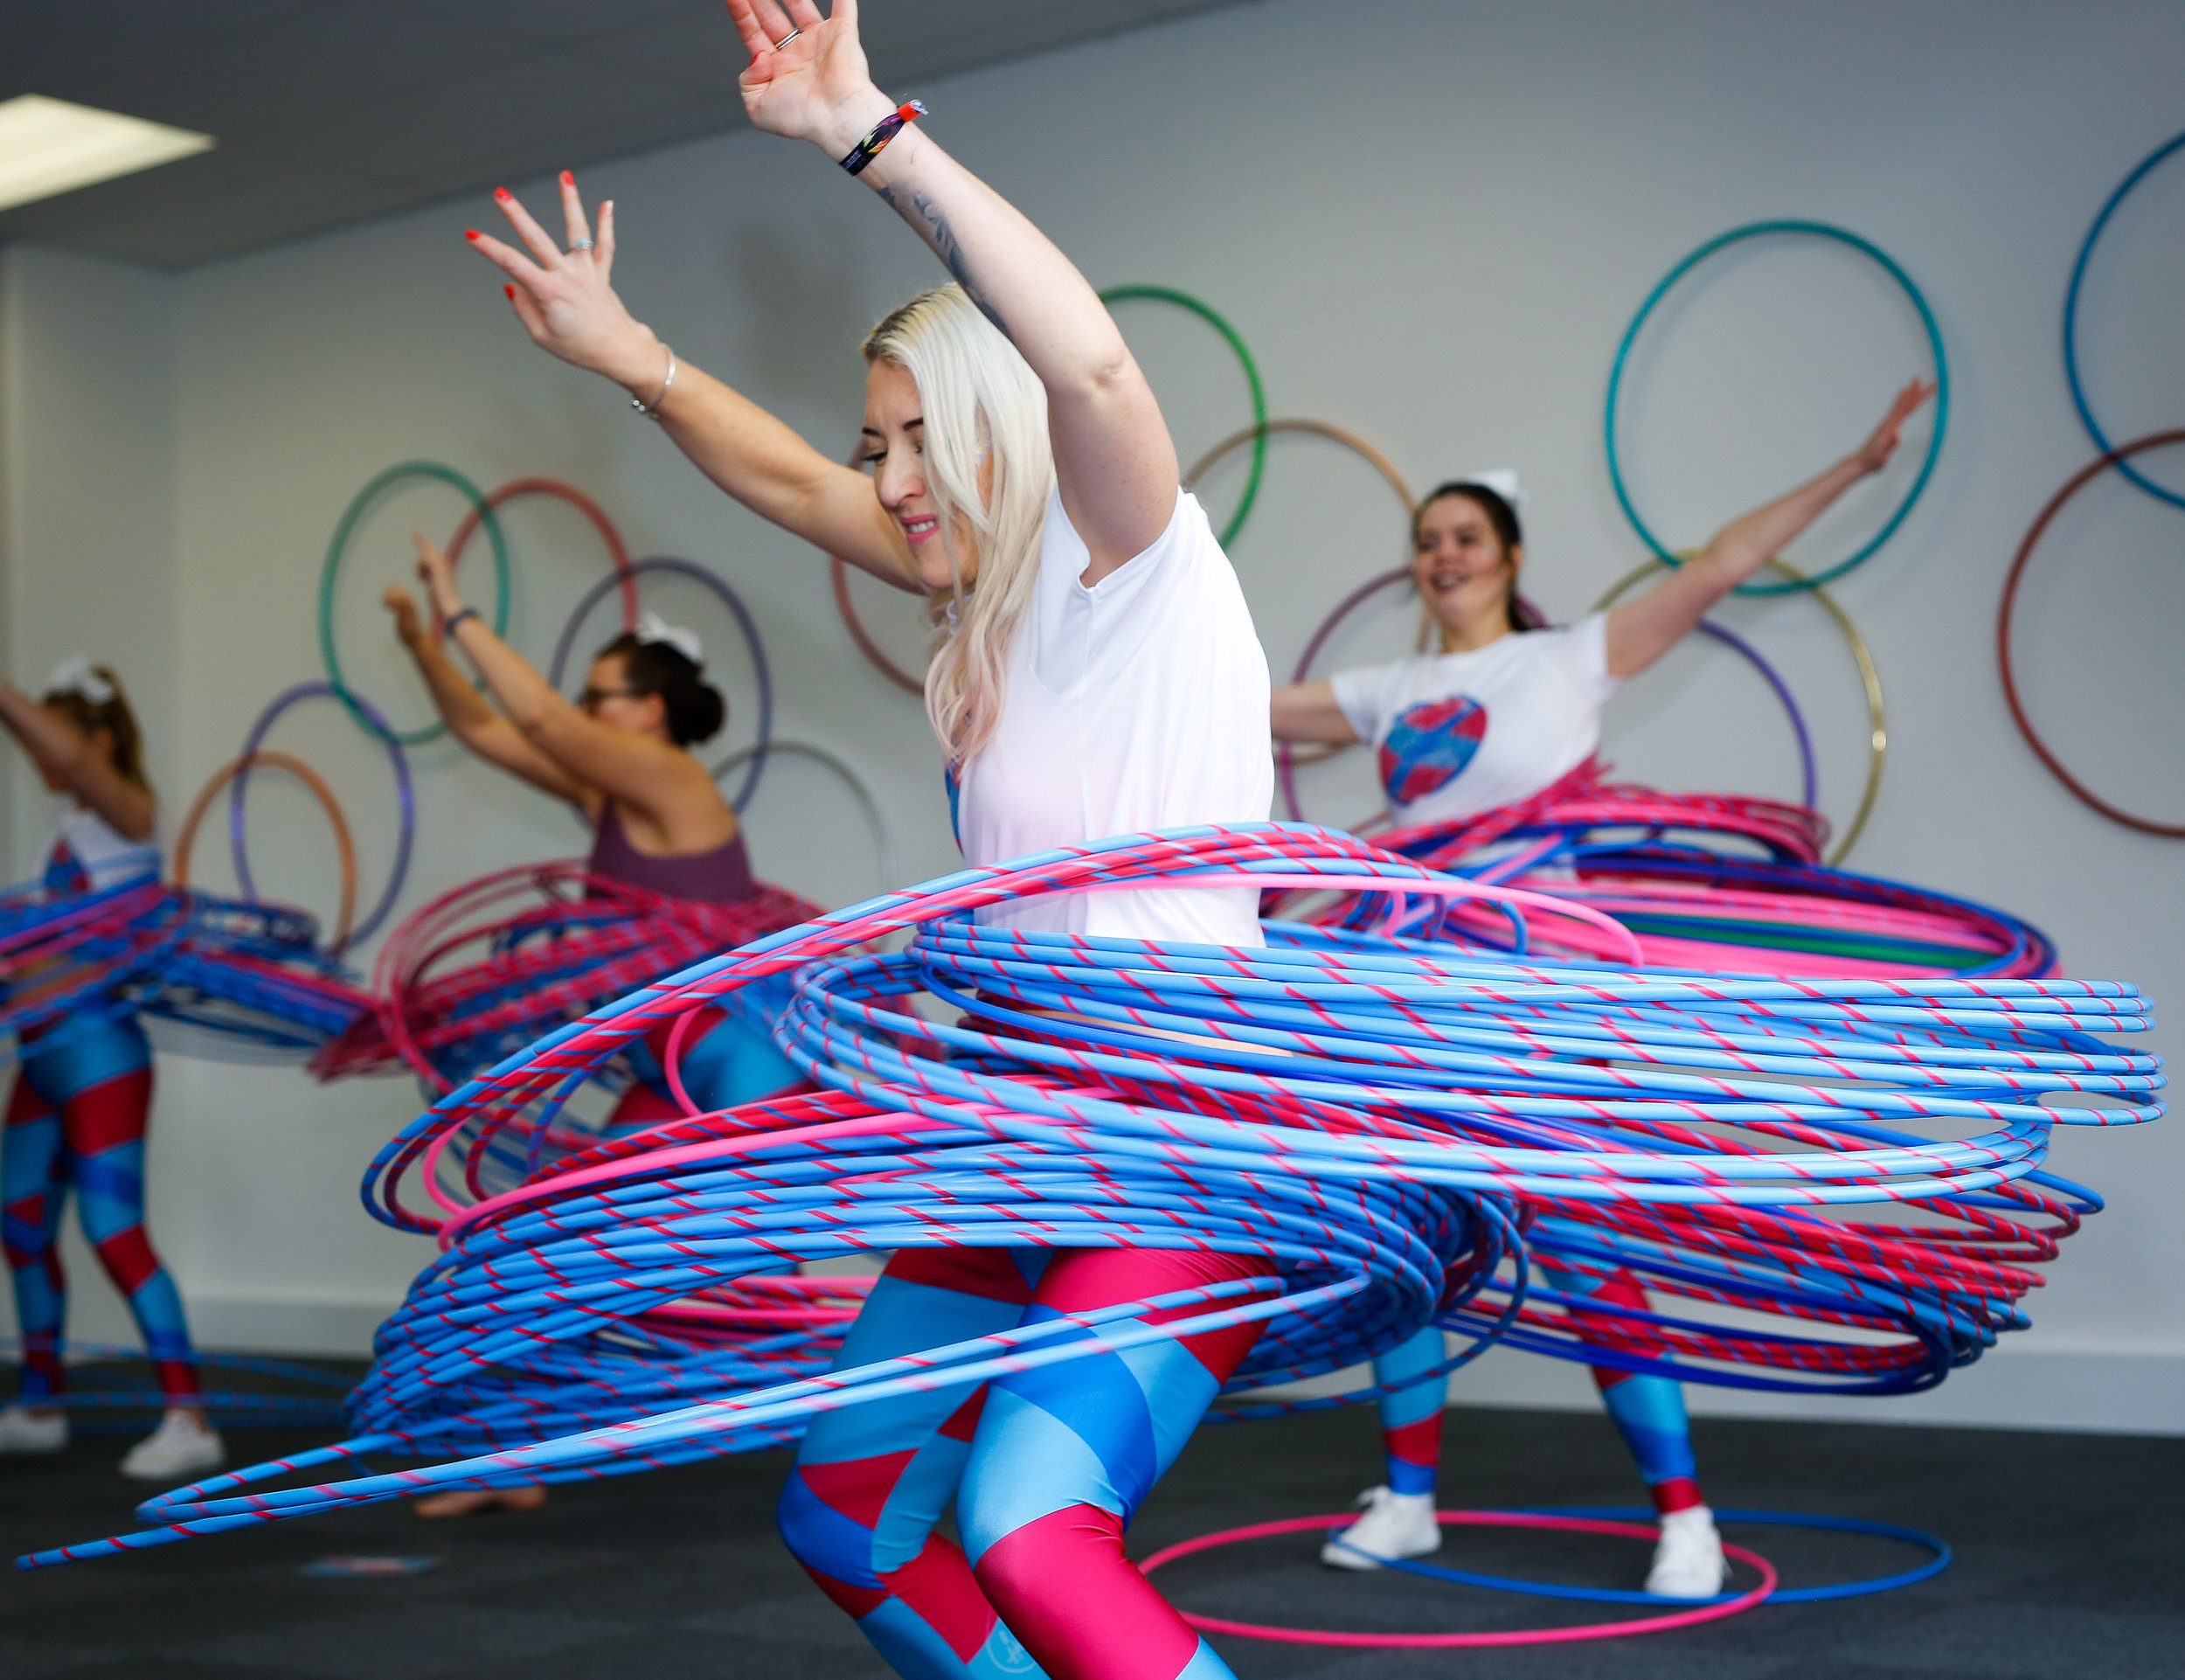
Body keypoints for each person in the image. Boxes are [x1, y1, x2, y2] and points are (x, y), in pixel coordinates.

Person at [465, 0, 1273, 1670]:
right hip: (1025, 1122)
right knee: (849, 1513)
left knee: (1032, 1527)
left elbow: (1093, 367)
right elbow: (782, 480)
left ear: (998, 429)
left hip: (1183, 1127)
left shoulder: (1134, 571)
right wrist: (631, 356)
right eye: (878, 445)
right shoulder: (986, 611)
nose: (892, 478)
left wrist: (868, 138)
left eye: (921, 440)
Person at [1272, 378, 1936, 1596]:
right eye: (1426, 540)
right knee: (1408, 1240)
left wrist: (1853, 465)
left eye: (1465, 535)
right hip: (1419, 997)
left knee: (1583, 1242)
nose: (1443, 555)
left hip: (1540, 997)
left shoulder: (1567, 658)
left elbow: (1719, 562)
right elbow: (1226, 703)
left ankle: (1686, 1516)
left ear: (1510, 554)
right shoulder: (1385, 690)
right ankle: (1408, 1499)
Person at [384, 546, 804, 1517]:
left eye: (599, 694)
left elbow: (538, 718)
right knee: (562, 1236)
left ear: (649, 710)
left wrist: (457, 610)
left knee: (747, 1262)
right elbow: (486, 727)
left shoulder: (668, 777)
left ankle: (923, 1410)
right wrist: (421, 647)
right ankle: (513, 1455)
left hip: (740, 1058)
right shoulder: (613, 796)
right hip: (672, 1061)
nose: (583, 707)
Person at [0, 660, 225, 1482]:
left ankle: (190, 1419)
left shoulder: (130, 819)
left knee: (114, 1231)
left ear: (98, 740)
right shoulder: (64, 831)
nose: (37, 755)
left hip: (100, 1058)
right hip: (43, 1059)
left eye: (49, 738)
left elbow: (75, 761)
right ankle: (40, 1404)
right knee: (20, 1222)